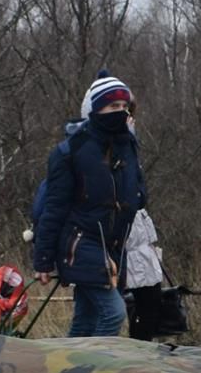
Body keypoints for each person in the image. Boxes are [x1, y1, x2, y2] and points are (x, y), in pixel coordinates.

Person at [31, 69, 147, 337]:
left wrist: (136, 195)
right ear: (95, 109)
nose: (120, 111)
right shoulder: (71, 151)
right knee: (114, 313)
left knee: (86, 317)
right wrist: (44, 259)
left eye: (123, 106)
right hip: (81, 243)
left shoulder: (128, 144)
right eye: (112, 105)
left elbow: (137, 195)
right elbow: (54, 207)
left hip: (116, 246)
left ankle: (67, 372)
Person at [120, 207, 188, 341]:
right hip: (131, 259)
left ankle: (142, 345)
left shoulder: (135, 201)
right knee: (142, 308)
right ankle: (139, 345)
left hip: (145, 257)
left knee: (149, 306)